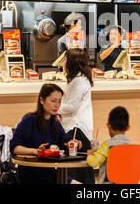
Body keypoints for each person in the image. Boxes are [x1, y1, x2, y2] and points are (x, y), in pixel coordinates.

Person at [10, 83, 82, 184]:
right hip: (31, 175)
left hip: (51, 173)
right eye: (53, 101)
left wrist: (73, 143)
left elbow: (64, 141)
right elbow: (15, 148)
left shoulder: (56, 123)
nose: (56, 105)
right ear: (42, 100)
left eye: (59, 101)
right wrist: (37, 151)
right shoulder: (30, 120)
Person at [58, 48, 94, 183]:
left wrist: (55, 109)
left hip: (77, 130)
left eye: (66, 59)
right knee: (80, 169)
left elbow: (71, 106)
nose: (64, 62)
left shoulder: (78, 81)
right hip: (76, 128)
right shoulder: (77, 79)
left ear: (72, 62)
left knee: (77, 171)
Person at [87, 106, 132, 184]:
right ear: (128, 127)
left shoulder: (107, 145)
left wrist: (90, 155)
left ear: (108, 126)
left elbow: (94, 163)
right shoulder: (133, 146)